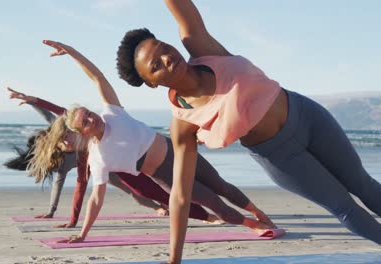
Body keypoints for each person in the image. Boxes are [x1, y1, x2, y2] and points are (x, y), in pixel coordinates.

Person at [115, 0, 381, 262]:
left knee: (361, 182)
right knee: (342, 206)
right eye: (156, 65)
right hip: (281, 157)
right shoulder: (183, 123)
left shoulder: (203, 50)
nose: (167, 58)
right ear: (152, 83)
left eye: (164, 49)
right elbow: (180, 195)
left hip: (307, 116)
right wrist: (174, 259)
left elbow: (182, 8)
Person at [41, 39, 276, 243]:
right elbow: (95, 200)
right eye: (86, 122)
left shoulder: (113, 112)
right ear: (83, 132)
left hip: (179, 151)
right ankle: (253, 225)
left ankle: (259, 212)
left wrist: (71, 52)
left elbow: (97, 76)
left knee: (221, 186)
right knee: (214, 202)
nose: (92, 119)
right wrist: (83, 234)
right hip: (165, 176)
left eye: (89, 113)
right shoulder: (98, 157)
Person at [6, 88, 224, 226]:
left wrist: (33, 99)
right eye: (63, 145)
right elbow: (81, 185)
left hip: (127, 151)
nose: (66, 143)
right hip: (114, 167)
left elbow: (56, 112)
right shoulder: (76, 158)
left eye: (65, 139)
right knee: (144, 191)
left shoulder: (72, 126)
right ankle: (206, 216)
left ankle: (214, 199)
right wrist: (72, 221)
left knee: (175, 180)